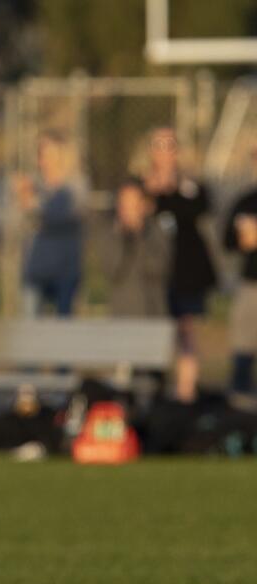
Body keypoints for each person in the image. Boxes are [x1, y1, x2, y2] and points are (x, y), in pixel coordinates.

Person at [143, 126, 217, 403]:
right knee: (155, 329)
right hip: (151, 272)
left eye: (170, 145)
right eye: (158, 145)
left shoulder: (189, 185)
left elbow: (197, 209)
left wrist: (169, 191)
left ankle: (186, 393)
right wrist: (151, 193)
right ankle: (152, 390)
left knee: (185, 330)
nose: (164, 151)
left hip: (185, 270)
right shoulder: (142, 186)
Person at [17, 131, 84, 317]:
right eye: (40, 152)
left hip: (64, 270)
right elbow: (23, 220)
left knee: (63, 331)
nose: (42, 158)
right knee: (31, 329)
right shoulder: (35, 184)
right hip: (35, 270)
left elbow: (66, 216)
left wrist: (33, 204)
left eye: (46, 152)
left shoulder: (75, 185)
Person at [105, 178, 169, 319]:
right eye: (124, 204)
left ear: (143, 205)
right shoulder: (112, 235)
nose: (127, 211)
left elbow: (157, 268)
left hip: (152, 313)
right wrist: (126, 237)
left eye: (132, 204)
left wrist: (140, 234)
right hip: (122, 316)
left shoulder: (156, 232)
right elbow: (114, 270)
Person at [222, 172, 257, 409]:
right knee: (243, 347)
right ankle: (241, 410)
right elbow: (227, 242)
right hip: (251, 284)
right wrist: (243, 238)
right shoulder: (246, 201)